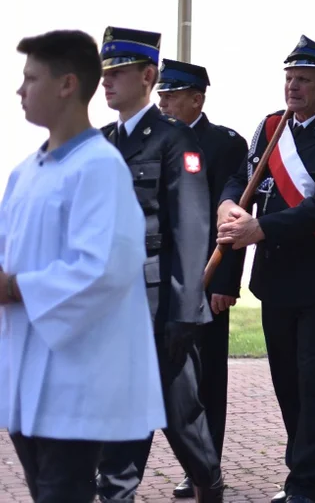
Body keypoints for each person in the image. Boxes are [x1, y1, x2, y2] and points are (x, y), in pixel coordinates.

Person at [1, 31, 165, 503]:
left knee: (64, 493)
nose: (20, 90)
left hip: (74, 380)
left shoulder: (99, 167)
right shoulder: (26, 171)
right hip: (28, 374)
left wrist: (14, 287)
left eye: (31, 78)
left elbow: (105, 269)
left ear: (67, 85)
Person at [218, 36, 315, 502]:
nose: (293, 87)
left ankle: (306, 480)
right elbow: (243, 177)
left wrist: (259, 228)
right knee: (287, 381)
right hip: (276, 280)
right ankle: (299, 463)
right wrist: (227, 203)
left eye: (303, 79)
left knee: (314, 378)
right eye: (289, 78)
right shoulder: (269, 129)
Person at [94, 29, 223, 502]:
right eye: (104, 73)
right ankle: (115, 491)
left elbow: (190, 232)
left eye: (118, 73)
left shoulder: (176, 142)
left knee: (183, 422)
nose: (106, 82)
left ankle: (209, 482)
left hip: (158, 308)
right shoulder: (101, 142)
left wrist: (185, 313)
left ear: (148, 76)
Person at [156, 59, 248, 499]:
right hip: (157, 280)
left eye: (171, 96)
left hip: (204, 280)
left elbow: (232, 214)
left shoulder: (224, 144)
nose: (163, 103)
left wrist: (225, 283)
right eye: (161, 95)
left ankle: (204, 467)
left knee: (205, 378)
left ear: (197, 98)